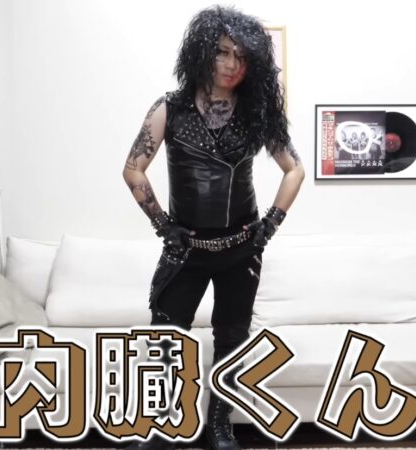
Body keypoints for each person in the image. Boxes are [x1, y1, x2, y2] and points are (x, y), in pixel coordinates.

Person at [122, 6, 304, 450]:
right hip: (186, 248)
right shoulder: (170, 108)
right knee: (166, 337)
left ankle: (220, 426)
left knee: (232, 337)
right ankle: (163, 422)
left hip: (241, 247)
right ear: (202, 51)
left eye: (241, 56)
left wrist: (270, 225)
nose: (230, 64)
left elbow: (295, 169)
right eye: (222, 52)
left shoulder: (256, 112)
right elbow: (133, 169)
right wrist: (163, 225)